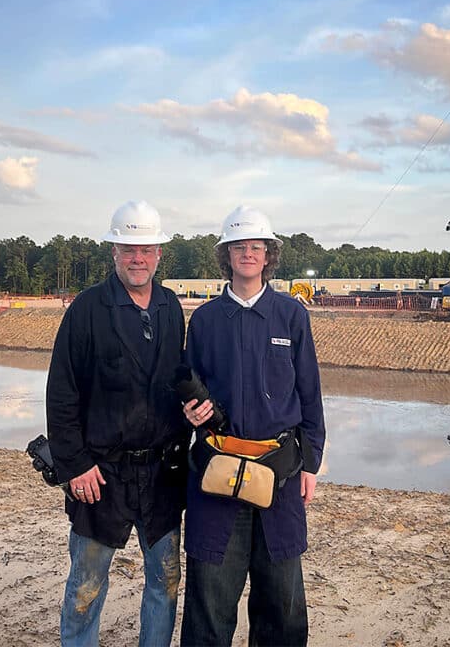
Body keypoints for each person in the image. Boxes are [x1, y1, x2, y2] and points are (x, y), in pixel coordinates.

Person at [179, 205, 326, 647]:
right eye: (239, 247)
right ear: (227, 255)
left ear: (268, 255)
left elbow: (310, 395)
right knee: (209, 603)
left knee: (281, 604)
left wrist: (311, 463)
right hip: (216, 477)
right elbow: (187, 389)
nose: (247, 254)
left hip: (278, 477)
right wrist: (188, 413)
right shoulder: (205, 320)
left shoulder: (291, 316)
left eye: (256, 247)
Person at [46, 200, 189, 647]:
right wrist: (74, 465)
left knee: (164, 583)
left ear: (159, 254)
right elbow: (62, 394)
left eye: (146, 249)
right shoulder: (87, 310)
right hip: (100, 473)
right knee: (86, 588)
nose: (137, 259)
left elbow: (176, 382)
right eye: (128, 249)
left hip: (161, 475)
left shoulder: (170, 308)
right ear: (114, 251)